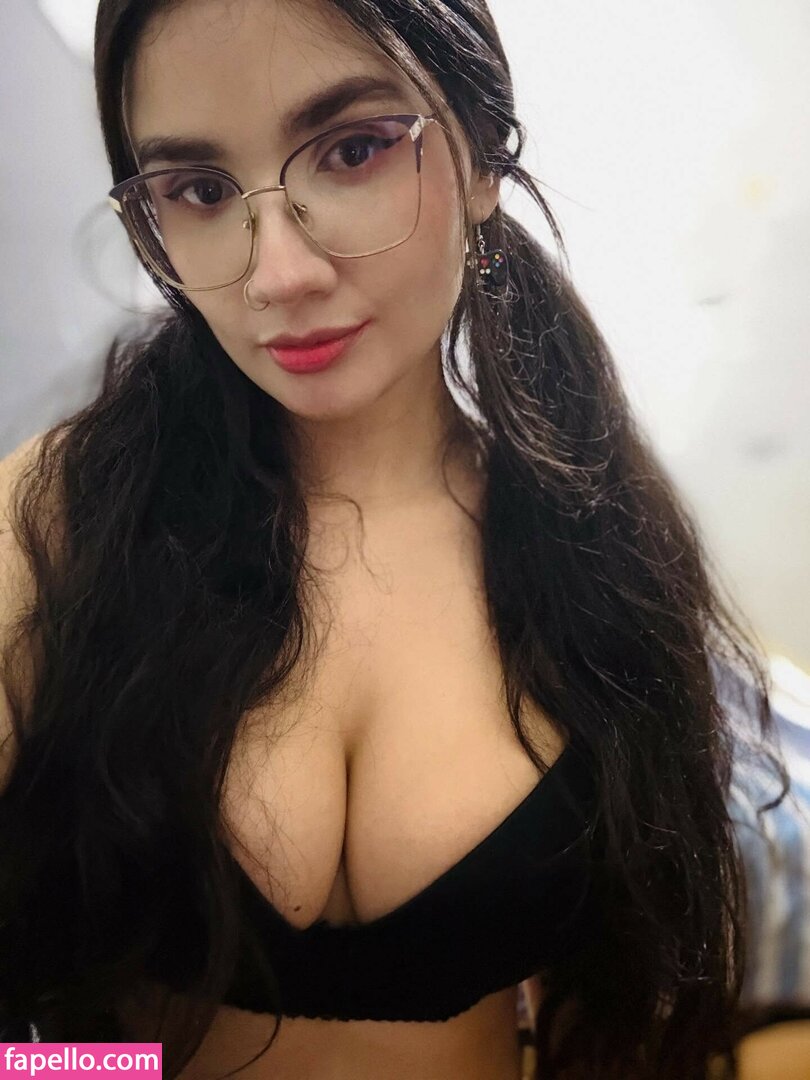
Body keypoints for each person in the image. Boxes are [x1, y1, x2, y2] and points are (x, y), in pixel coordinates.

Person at [0, 1, 790, 1077]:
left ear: (481, 151)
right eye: (200, 190)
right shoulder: (58, 522)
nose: (278, 273)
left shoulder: (597, 547)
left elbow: (619, 1011)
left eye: (354, 149)